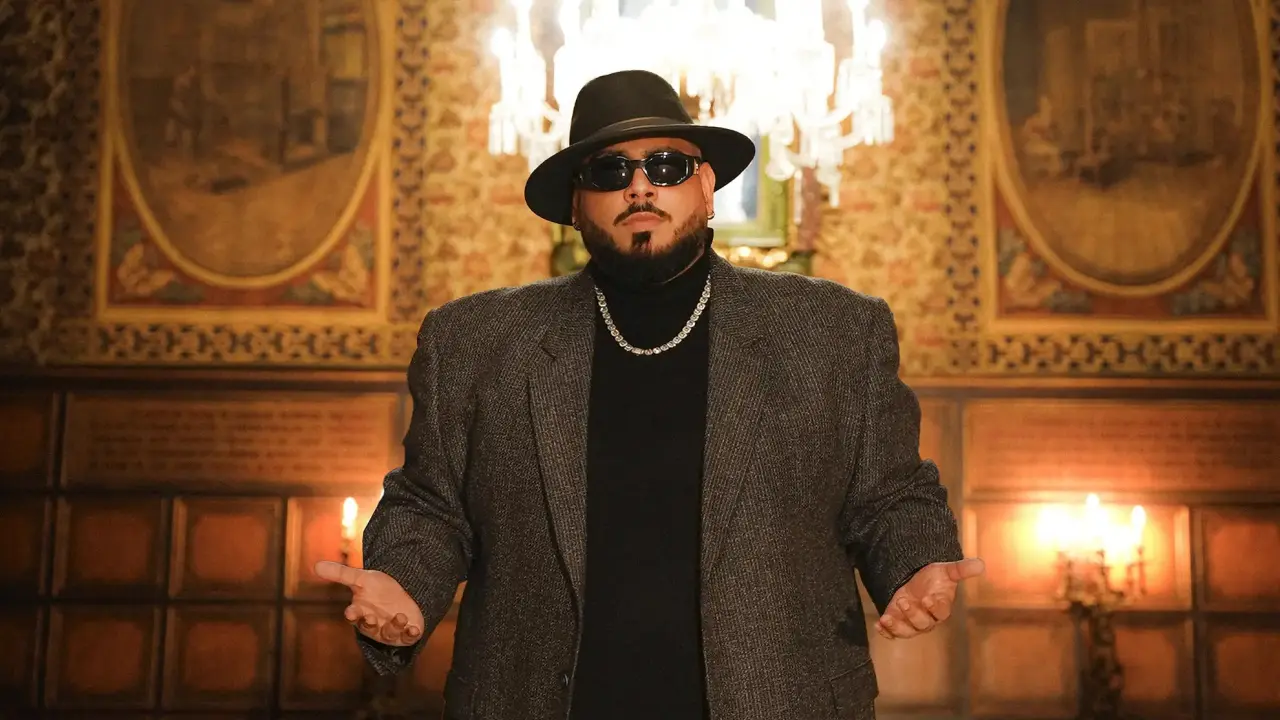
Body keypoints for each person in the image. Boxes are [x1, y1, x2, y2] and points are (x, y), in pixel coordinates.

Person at [316, 69, 984, 720]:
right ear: (574, 205)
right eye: (610, 171)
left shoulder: (833, 332)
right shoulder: (474, 340)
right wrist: (403, 583)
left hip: (781, 698)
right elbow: (431, 506)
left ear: (707, 187)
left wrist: (914, 563)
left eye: (667, 166)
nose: (640, 185)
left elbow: (889, 495)